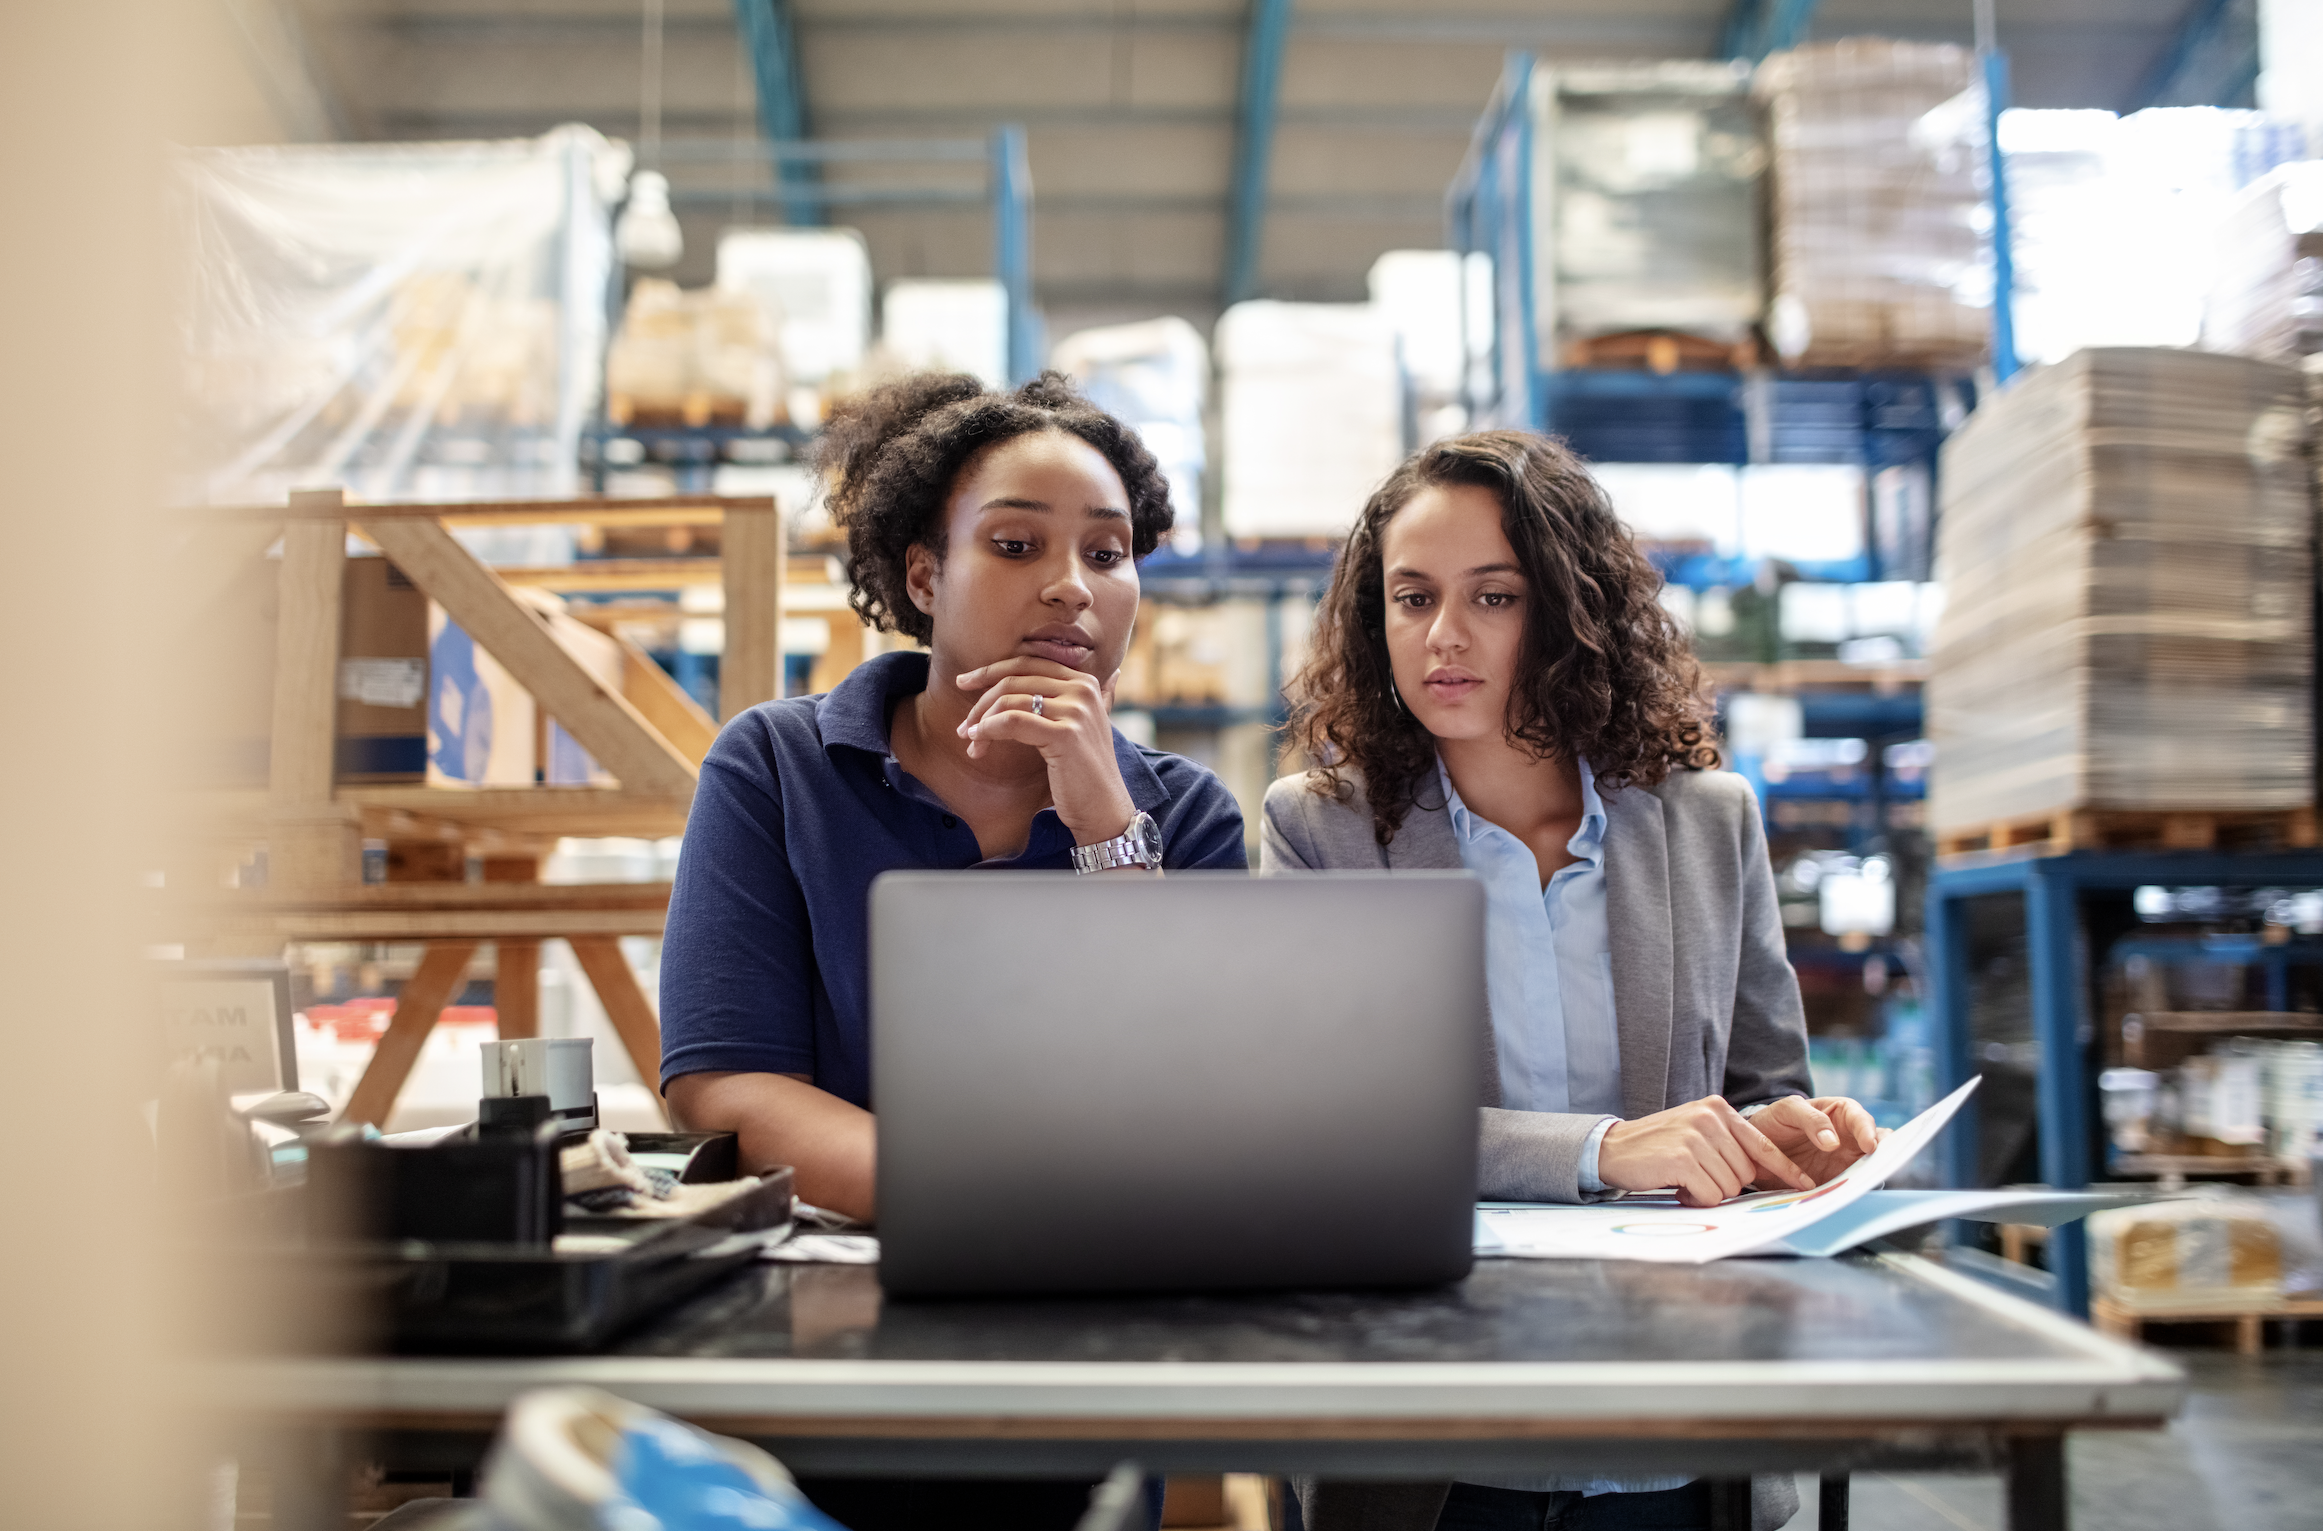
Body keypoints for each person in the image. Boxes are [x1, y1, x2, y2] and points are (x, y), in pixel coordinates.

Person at [657, 370, 1248, 1531]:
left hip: (1083, 1352)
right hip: (819, 1352)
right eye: (1017, 544)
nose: (1071, 588)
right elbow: (721, 1078)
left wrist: (1102, 823)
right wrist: (968, 1204)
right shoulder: (776, 768)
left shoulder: (1186, 815)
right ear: (924, 576)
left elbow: (1192, 1104)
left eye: (1109, 553)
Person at [1262, 431, 1881, 1531]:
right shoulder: (1324, 831)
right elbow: (1324, 1135)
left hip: (1677, 1448)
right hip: (1434, 1462)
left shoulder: (1707, 819)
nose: (1442, 636)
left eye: (1492, 597)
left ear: (1565, 609)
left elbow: (1757, 1090)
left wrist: (1793, 1138)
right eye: (1411, 599)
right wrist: (1601, 1151)